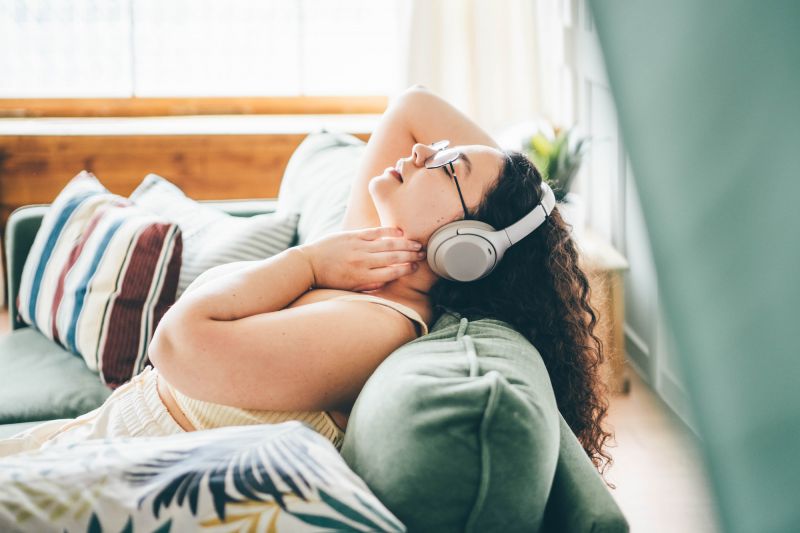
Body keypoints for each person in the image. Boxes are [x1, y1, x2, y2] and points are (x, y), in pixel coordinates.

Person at [0, 86, 614, 487]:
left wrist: (309, 265)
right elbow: (412, 107)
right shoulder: (377, 262)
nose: (427, 149)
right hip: (88, 438)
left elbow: (175, 346)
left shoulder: (374, 322)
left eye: (449, 165)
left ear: (465, 249)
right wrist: (534, 211)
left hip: (98, 465)